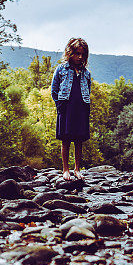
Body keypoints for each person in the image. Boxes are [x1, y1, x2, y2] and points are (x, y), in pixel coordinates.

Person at [51, 38, 91, 180]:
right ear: (70, 53)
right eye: (77, 54)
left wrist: (86, 106)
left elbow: (88, 90)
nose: (80, 57)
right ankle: (65, 170)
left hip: (81, 108)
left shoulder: (86, 73)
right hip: (66, 108)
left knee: (79, 140)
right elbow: (54, 90)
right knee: (66, 139)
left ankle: (77, 169)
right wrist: (60, 106)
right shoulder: (61, 69)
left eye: (82, 54)